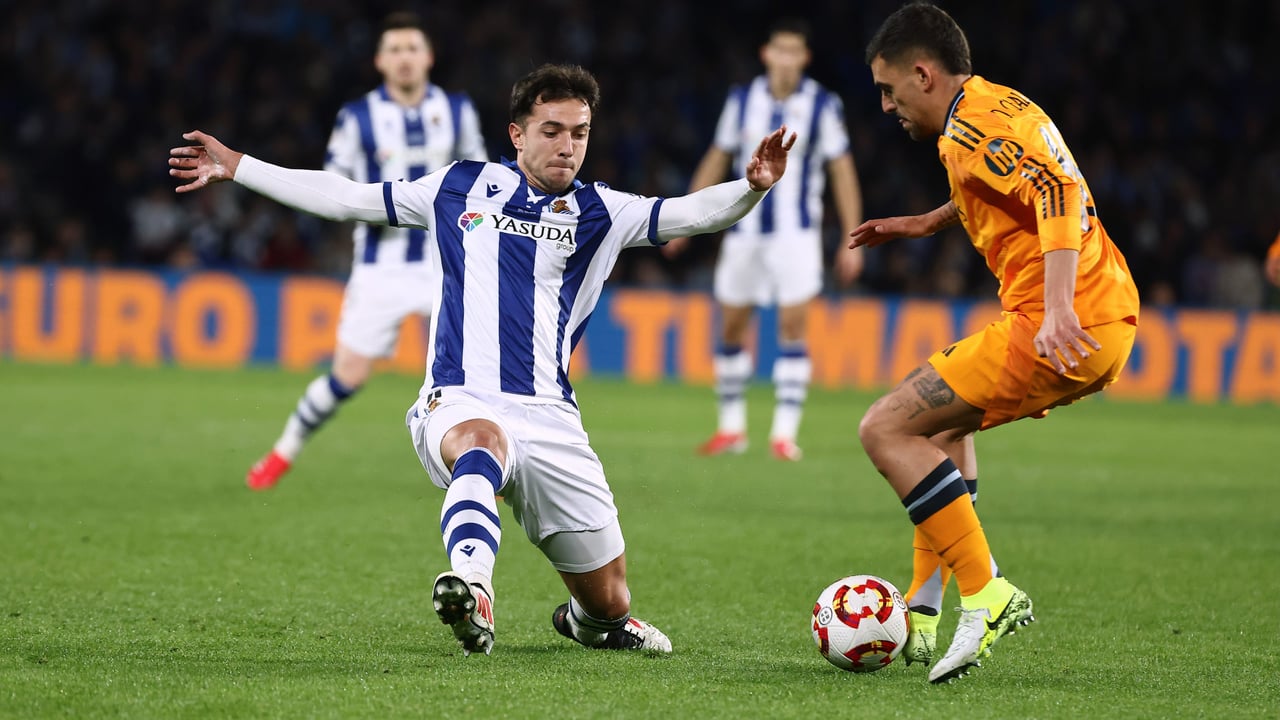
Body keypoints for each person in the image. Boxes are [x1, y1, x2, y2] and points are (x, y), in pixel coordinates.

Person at [171, 63, 797, 656]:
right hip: (459, 397)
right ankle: (474, 591)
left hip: (551, 416)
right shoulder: (459, 187)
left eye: (579, 133)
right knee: (480, 442)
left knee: (609, 601)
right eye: (551, 131)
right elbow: (347, 197)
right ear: (517, 135)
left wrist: (751, 187)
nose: (567, 147)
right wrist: (241, 166)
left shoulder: (604, 212)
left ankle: (588, 625)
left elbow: (689, 214)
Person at [851, 2, 1140, 683]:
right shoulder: (990, 105)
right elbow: (1005, 184)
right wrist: (927, 222)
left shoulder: (972, 126)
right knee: (941, 428)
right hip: (1103, 316)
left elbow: (1057, 190)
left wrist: (1059, 308)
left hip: (1063, 321)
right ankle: (925, 606)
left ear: (924, 74)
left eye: (889, 89)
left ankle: (987, 593)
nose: (887, 106)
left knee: (884, 429)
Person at [245, 11, 488, 491]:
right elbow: (334, 184)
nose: (404, 58)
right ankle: (283, 451)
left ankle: (485, 465)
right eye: (394, 50)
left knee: (472, 371)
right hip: (380, 269)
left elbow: (480, 178)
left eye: (412, 48)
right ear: (380, 61)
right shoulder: (357, 118)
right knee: (347, 375)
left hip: (445, 264)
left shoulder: (457, 110)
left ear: (428, 57)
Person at [663, 18, 865, 462]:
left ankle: (783, 435)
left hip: (797, 235)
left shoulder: (822, 104)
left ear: (804, 58)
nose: (786, 59)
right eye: (780, 50)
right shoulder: (742, 99)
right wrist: (682, 218)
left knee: (794, 327)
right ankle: (731, 430)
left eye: (795, 51)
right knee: (732, 326)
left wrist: (852, 236)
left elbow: (842, 169)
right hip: (744, 232)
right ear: (766, 54)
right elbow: (718, 156)